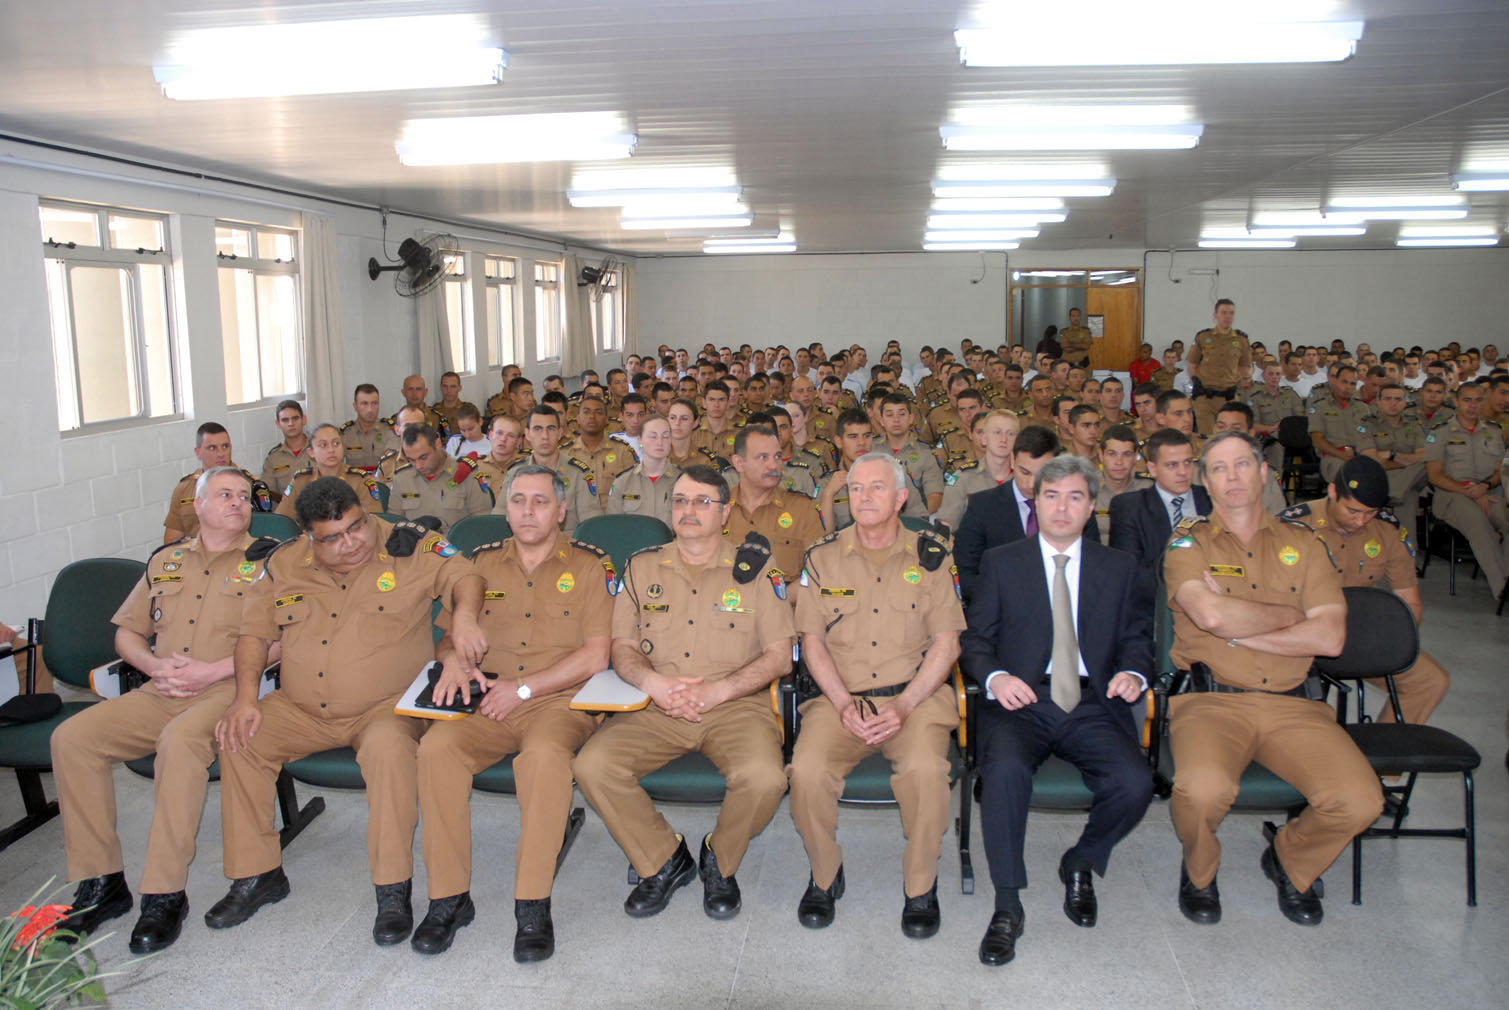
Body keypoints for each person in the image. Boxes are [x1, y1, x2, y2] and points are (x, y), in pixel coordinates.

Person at [208, 478, 487, 945]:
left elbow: (467, 576)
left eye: (357, 526)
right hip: (300, 708)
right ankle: (257, 874)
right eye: (333, 538)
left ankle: (392, 889)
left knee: (387, 751)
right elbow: (254, 634)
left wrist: (463, 617)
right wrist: (245, 699)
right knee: (240, 737)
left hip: (383, 708)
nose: (351, 542)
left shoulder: (409, 546)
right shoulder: (284, 562)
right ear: (309, 538)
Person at [1165, 431, 1383, 927]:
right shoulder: (1186, 543)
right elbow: (1210, 616)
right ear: (1205, 482)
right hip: (1212, 702)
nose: (1232, 477)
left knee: (1360, 800)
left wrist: (1239, 627)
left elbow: (1330, 638)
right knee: (1201, 790)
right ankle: (1199, 872)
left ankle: (1290, 858)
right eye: (1219, 468)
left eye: (1243, 465)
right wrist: (1291, 616)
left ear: (1264, 473)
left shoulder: (1304, 543)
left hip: (1294, 703)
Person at [53, 468, 274, 953]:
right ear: (198, 505)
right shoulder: (166, 560)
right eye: (225, 494)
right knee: (72, 738)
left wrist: (211, 672)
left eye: (243, 496)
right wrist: (153, 666)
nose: (238, 503)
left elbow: (284, 641)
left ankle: (164, 892)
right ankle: (101, 882)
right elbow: (127, 633)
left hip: (228, 689)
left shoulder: (269, 561)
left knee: (179, 744)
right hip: (163, 689)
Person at [572, 467, 794, 921]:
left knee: (766, 779)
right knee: (592, 765)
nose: (688, 510)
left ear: (725, 513)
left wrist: (719, 691)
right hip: (658, 703)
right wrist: (654, 684)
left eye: (701, 501)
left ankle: (720, 858)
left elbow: (779, 658)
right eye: (680, 500)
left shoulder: (757, 569)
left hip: (735, 705)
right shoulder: (642, 566)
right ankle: (663, 859)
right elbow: (623, 647)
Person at [413, 465, 614, 959]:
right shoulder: (478, 566)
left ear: (561, 511)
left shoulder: (591, 566)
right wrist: (454, 664)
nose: (528, 511)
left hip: (558, 700)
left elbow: (596, 657)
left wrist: (522, 690)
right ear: (505, 509)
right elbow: (447, 640)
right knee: (437, 750)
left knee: (543, 759)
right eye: (518, 500)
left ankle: (532, 904)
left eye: (540, 502)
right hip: (489, 697)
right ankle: (449, 897)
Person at [962, 455, 1154, 965]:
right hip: (1022, 700)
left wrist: (1134, 674)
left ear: (1092, 507)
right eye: (1051, 496)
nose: (1062, 508)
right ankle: (1007, 905)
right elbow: (975, 640)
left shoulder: (1120, 568)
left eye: (1075, 497)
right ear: (1036, 502)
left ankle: (1081, 861)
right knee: (1003, 773)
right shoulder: (1003, 562)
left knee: (1135, 783)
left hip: (1093, 701)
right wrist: (996, 678)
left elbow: (1139, 639)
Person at [787, 453, 964, 937]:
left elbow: (947, 644)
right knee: (806, 772)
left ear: (901, 497)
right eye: (856, 488)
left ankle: (920, 886)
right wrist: (843, 703)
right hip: (839, 698)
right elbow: (811, 641)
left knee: (926, 772)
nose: (863, 497)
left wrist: (904, 704)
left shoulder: (932, 555)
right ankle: (825, 874)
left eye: (877, 487)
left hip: (915, 697)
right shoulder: (822, 557)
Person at [1281, 457, 1449, 725]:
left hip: (1358, 636)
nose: (1360, 521)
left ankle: (1384, 752)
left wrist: (1389, 646)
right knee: (1302, 716)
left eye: (1370, 513)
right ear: (1333, 491)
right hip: (1303, 640)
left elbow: (1410, 601)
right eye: (1352, 511)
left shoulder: (1387, 530)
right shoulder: (1292, 527)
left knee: (1430, 681)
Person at [955, 426, 1099, 599]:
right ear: (1012, 461)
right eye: (1025, 472)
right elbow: (965, 572)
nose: (1031, 483)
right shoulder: (983, 506)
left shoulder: (1074, 507)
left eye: (1041, 474)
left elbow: (1092, 563)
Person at [1424, 382, 1508, 600]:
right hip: (1451, 495)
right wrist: (1469, 491)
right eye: (1467, 400)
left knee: (1506, 521)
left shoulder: (1493, 431)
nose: (1473, 405)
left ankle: (1506, 576)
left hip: (1486, 492)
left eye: (1478, 400)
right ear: (1456, 402)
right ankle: (1502, 590)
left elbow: (1501, 471)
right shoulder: (1440, 432)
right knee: (1479, 524)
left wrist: (1484, 486)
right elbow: (1434, 475)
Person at [724, 425, 824, 579]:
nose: (773, 465)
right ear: (738, 462)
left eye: (777, 456)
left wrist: (781, 594)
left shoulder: (804, 510)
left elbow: (818, 574)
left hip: (787, 593)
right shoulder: (717, 508)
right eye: (763, 457)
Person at [1108, 429, 1211, 570]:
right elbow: (1129, 570)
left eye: (1188, 462)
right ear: (1152, 469)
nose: (1183, 472)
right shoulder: (1130, 508)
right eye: (1172, 465)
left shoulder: (1212, 499)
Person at [492, 407, 599, 535]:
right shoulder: (515, 473)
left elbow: (591, 526)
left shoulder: (578, 473)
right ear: (527, 434)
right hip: (522, 544)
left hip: (565, 545)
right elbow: (498, 521)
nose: (545, 436)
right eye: (537, 429)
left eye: (551, 429)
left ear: (560, 433)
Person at [163, 422, 271, 543]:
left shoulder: (250, 486)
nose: (221, 454)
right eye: (212, 448)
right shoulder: (184, 489)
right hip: (195, 552)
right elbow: (171, 540)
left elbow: (263, 535)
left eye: (225, 447)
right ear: (198, 452)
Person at [389, 424, 492, 533]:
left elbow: (481, 522)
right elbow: (393, 524)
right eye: (411, 460)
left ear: (437, 444)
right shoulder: (402, 478)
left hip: (455, 542)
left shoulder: (467, 474)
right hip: (414, 542)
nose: (418, 466)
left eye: (423, 457)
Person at [276, 423, 387, 518]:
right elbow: (282, 519)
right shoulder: (300, 480)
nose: (331, 450)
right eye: (323, 445)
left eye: (336, 444)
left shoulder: (360, 480)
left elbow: (374, 521)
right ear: (311, 452)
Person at [938, 411, 1018, 531]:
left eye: (1010, 434)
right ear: (984, 439)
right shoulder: (962, 479)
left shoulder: (1026, 480)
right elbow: (946, 527)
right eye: (997, 432)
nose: (1003, 439)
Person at [1187, 299, 1252, 434]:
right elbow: (1192, 365)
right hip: (1205, 398)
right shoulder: (1203, 337)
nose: (1228, 316)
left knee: (1230, 437)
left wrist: (1237, 382)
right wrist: (1197, 384)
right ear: (1215, 315)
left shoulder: (1241, 340)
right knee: (1208, 438)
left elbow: (1245, 368)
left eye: (1231, 313)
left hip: (1229, 398)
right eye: (1224, 313)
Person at [1357, 384, 1428, 507]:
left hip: (1412, 476)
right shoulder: (1367, 424)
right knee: (1410, 494)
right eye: (1388, 399)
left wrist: (1392, 455)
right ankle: (1395, 495)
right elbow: (1371, 460)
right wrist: (1408, 462)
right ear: (1379, 402)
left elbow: (1423, 455)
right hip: (1383, 476)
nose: (1393, 403)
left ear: (1405, 403)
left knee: (1427, 463)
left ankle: (1391, 495)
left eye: (1398, 399)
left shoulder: (1414, 423)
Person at [877, 393, 945, 516]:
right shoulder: (870, 449)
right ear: (881, 420)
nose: (896, 419)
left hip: (914, 520)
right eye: (890, 415)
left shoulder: (926, 453)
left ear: (911, 418)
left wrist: (911, 520)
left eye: (902, 414)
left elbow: (935, 496)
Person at [607, 415, 679, 524]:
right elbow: (613, 525)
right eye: (653, 436)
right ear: (640, 440)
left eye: (665, 437)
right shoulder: (622, 482)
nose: (660, 442)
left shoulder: (682, 481)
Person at [1310, 365, 1374, 481]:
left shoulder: (1363, 408)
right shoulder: (1320, 407)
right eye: (1344, 382)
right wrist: (1343, 455)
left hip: (1360, 455)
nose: (1348, 387)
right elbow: (1318, 441)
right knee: (1347, 471)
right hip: (1333, 457)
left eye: (1353, 384)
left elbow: (1370, 437)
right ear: (1335, 381)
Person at [816, 409, 876, 531]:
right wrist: (829, 494)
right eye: (853, 436)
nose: (861, 443)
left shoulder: (888, 477)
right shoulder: (826, 484)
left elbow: (907, 522)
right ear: (839, 441)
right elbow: (824, 535)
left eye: (867, 436)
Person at [1094, 425, 1151, 545]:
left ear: (1136, 456)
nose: (1119, 462)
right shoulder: (1086, 487)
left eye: (1127, 454)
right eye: (1112, 454)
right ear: (1101, 455)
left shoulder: (1148, 488)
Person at [342, 383, 402, 472]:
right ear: (355, 406)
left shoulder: (390, 430)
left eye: (374, 403)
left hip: (383, 478)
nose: (370, 409)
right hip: (354, 480)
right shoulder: (346, 433)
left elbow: (392, 463)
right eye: (364, 404)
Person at [260, 400, 310, 502]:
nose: (291, 424)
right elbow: (267, 493)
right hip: (287, 510)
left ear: (304, 419)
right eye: (285, 420)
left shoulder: (319, 449)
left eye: (295, 418)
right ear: (278, 424)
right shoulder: (273, 459)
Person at [432, 371, 477, 436]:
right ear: (441, 388)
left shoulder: (468, 410)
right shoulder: (435, 411)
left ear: (459, 388)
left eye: (453, 386)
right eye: (445, 386)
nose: (448, 390)